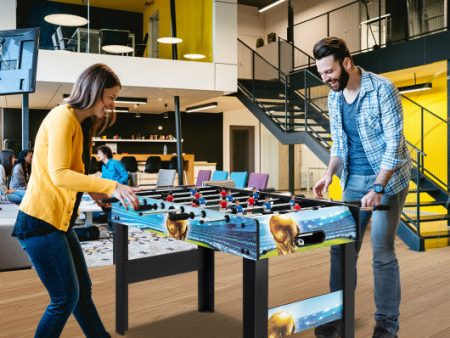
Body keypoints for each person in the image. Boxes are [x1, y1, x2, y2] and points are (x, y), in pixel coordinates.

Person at [12, 63, 139, 338]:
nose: (112, 104)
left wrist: (95, 192)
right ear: (94, 90)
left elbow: (74, 172)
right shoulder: (63, 117)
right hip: (39, 222)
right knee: (64, 298)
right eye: (111, 96)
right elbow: (60, 175)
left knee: (81, 293)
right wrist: (111, 185)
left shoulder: (78, 123)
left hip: (58, 223)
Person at [311, 37, 411, 338]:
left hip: (389, 180)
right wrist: (329, 174)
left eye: (329, 72)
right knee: (341, 250)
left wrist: (378, 187)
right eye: (321, 74)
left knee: (381, 251)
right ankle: (337, 314)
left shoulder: (383, 89)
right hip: (353, 178)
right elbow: (340, 144)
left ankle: (386, 327)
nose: (326, 79)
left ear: (346, 62)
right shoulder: (334, 97)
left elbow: (394, 145)